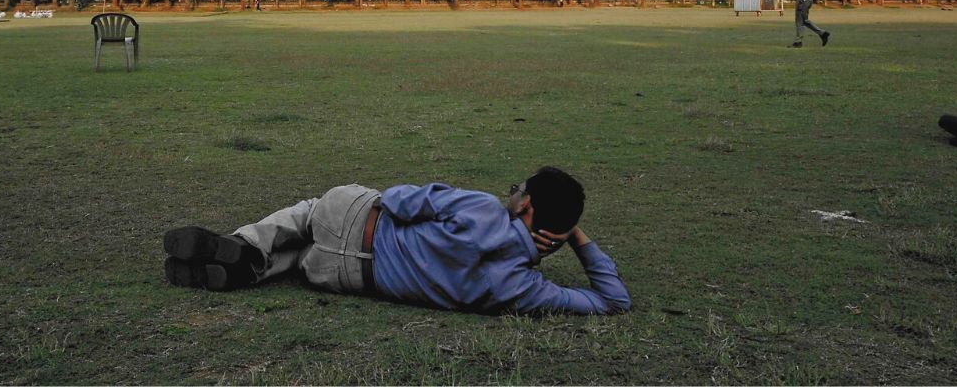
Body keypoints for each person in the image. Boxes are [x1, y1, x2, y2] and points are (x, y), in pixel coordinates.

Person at [162, 167, 631, 315]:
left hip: (354, 218)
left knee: (305, 214)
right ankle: (253, 267)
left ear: (525, 207)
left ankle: (245, 246)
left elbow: (403, 201)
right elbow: (614, 301)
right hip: (345, 277)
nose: (510, 195)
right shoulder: (524, 290)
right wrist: (575, 237)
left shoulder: (485, 209)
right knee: (305, 257)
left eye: (517, 191)